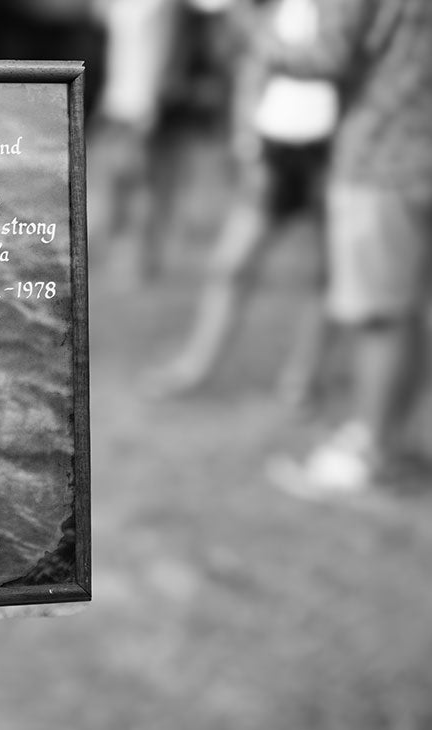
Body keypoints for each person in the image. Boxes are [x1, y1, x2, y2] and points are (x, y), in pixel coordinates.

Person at [262, 0, 432, 495]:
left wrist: (254, 32)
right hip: (416, 155)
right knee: (405, 312)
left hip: (380, 159)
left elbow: (326, 56)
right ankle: (390, 442)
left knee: (381, 317)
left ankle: (373, 457)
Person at [146, 0, 336, 404]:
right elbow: (251, 73)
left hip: (332, 151)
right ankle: (196, 366)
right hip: (275, 147)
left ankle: (303, 379)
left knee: (327, 272)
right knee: (232, 264)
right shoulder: (274, 11)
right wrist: (247, 143)